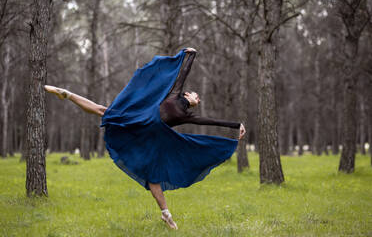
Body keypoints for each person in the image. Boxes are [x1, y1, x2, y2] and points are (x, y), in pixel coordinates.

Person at [45, 48, 246, 230]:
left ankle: (165, 213)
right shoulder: (177, 97)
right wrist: (189, 55)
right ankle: (69, 94)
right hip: (146, 125)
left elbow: (209, 120)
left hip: (146, 129)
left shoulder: (182, 108)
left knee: (107, 114)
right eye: (196, 95)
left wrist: (236, 125)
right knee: (105, 112)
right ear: (187, 94)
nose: (198, 99)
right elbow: (182, 74)